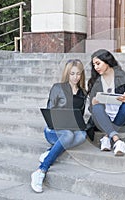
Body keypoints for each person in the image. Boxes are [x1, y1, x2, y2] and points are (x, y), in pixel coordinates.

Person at [31, 59, 87, 193]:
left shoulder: (83, 93)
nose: (75, 77)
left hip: (71, 131)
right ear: (67, 74)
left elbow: (79, 116)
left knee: (82, 135)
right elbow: (50, 111)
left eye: (78, 74)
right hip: (53, 130)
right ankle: (41, 170)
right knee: (67, 135)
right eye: (72, 73)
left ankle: (51, 151)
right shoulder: (57, 88)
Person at [87, 49, 125, 156]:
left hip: (119, 115)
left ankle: (106, 137)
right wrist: (93, 102)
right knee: (96, 108)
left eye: (98, 63)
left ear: (107, 61)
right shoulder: (94, 81)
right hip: (103, 115)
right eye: (94, 65)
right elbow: (91, 109)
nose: (96, 67)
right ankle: (117, 141)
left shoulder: (122, 76)